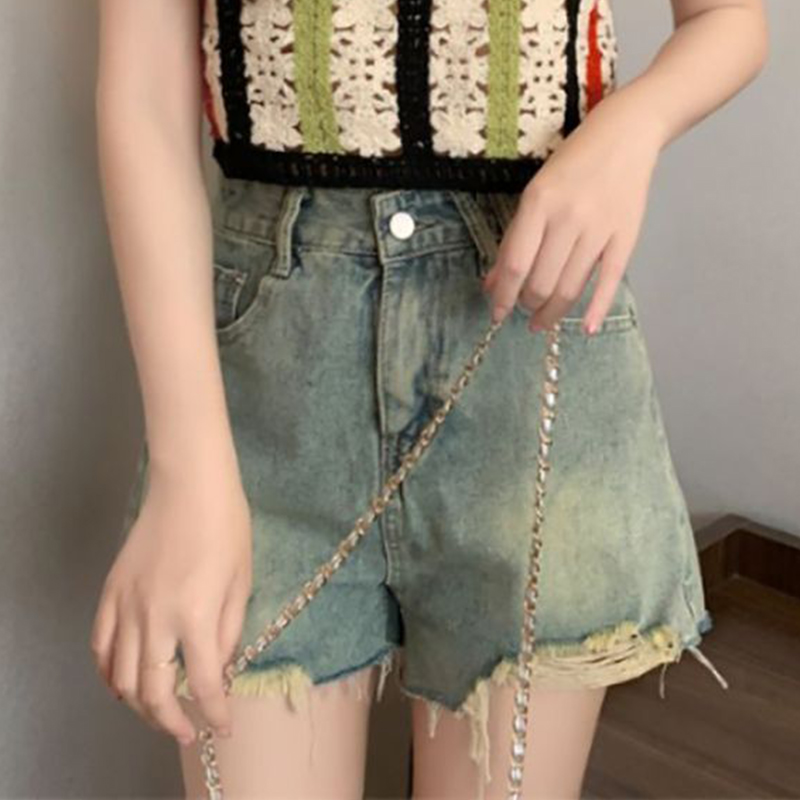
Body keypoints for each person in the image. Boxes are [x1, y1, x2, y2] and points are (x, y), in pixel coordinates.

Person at [90, 1, 768, 798]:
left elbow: (728, 17)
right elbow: (145, 93)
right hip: (269, 373)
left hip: (529, 336)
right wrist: (186, 470)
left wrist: (631, 128)